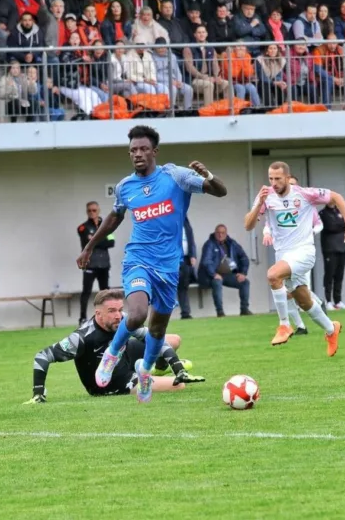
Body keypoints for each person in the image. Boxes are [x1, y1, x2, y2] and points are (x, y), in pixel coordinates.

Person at [77, 125, 227, 403]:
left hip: (169, 266)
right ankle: (112, 354)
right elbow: (114, 217)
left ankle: (145, 371)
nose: (138, 154)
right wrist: (89, 245)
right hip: (138, 259)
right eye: (133, 150)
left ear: (154, 151)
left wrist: (207, 175)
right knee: (135, 315)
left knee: (157, 329)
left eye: (143, 149)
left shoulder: (176, 176)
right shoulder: (125, 187)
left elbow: (221, 191)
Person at [244, 162, 345, 350]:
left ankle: (284, 325)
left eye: (278, 179)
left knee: (273, 275)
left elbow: (336, 197)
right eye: (271, 178)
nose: (274, 183)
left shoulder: (304, 194)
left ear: (287, 178)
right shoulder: (266, 196)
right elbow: (248, 225)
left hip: (304, 252)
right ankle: (331, 329)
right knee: (303, 301)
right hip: (284, 256)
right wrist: (259, 205)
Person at [25, 289, 204, 403]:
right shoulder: (81, 338)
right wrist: (38, 393)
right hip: (116, 383)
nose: (118, 316)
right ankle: (148, 374)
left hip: (125, 356)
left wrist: (177, 367)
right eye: (112, 311)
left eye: (120, 309)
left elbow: (153, 338)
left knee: (173, 340)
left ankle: (155, 369)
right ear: (98, 314)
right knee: (178, 387)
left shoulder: (123, 319)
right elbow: (42, 356)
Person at [262, 174, 325, 335]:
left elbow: (319, 224)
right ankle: (302, 326)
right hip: (284, 252)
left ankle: (289, 322)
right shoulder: (274, 202)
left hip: (302, 252)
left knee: (295, 290)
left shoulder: (305, 202)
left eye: (292, 184)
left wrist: (309, 233)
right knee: (290, 291)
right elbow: (267, 223)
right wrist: (266, 233)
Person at [198, 224, 252, 317]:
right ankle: (220, 312)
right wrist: (213, 274)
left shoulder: (232, 244)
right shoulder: (209, 244)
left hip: (228, 275)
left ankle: (244, 310)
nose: (220, 235)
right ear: (215, 233)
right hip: (211, 276)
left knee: (245, 282)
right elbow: (206, 262)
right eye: (218, 233)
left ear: (226, 234)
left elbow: (244, 258)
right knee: (217, 281)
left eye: (223, 233)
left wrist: (243, 273)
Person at [77, 201, 115, 326]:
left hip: (104, 264)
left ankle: (108, 316)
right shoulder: (82, 228)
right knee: (86, 292)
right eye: (89, 210)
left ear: (98, 210)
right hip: (90, 264)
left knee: (105, 292)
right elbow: (85, 244)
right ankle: (82, 318)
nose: (92, 213)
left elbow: (111, 242)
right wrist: (101, 239)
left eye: (94, 210)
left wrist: (93, 240)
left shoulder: (107, 225)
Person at [319, 200, 345, 310]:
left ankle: (338, 300)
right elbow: (330, 226)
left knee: (339, 275)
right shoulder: (323, 213)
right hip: (330, 249)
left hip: (342, 247)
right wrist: (340, 224)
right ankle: (328, 301)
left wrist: (340, 224)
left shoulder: (340, 212)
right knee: (329, 275)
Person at [177, 217, 197, 319]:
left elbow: (191, 239)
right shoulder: (168, 220)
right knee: (168, 286)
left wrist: (193, 255)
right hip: (172, 258)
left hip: (185, 259)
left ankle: (185, 312)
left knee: (183, 286)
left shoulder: (185, 221)